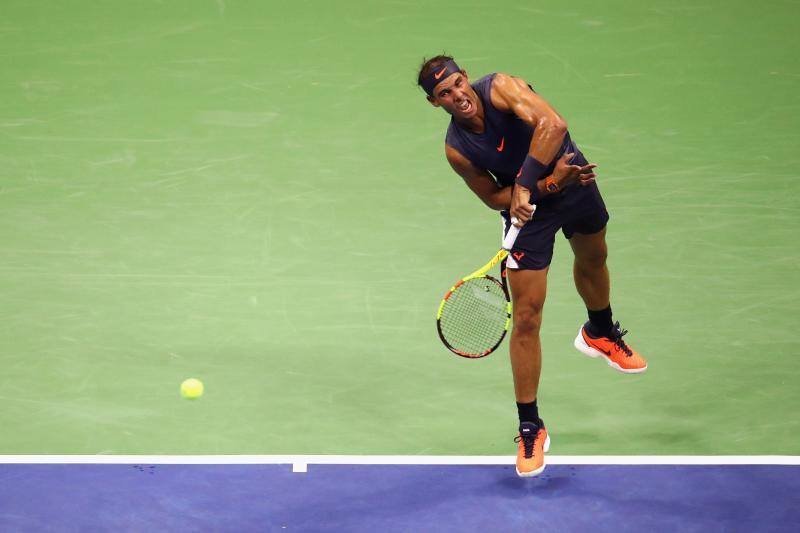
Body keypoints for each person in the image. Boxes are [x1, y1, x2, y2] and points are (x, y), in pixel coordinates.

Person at [418, 55, 647, 478]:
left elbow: (553, 126)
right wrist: (546, 185)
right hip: (536, 209)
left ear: (466, 77)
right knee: (526, 317)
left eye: (456, 84)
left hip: (573, 182)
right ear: (436, 103)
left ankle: (600, 331)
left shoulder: (501, 87)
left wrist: (525, 185)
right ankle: (530, 425)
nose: (456, 96)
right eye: (444, 94)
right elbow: (492, 197)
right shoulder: (457, 149)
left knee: (594, 257)